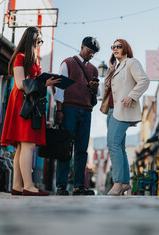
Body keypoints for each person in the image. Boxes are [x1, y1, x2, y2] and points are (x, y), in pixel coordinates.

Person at [1, 27, 60, 196]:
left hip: (31, 103)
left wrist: (45, 82)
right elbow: (20, 84)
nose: (40, 44)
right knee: (27, 144)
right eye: (38, 41)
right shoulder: (20, 57)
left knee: (22, 146)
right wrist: (44, 83)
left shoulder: (33, 59)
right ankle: (28, 186)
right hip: (23, 103)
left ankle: (18, 186)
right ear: (31, 40)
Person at [100, 39, 150, 196]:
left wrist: (132, 96)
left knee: (113, 143)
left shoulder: (131, 62)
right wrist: (111, 68)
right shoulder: (117, 67)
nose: (115, 49)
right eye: (113, 47)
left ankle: (118, 183)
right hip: (112, 110)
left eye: (118, 46)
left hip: (123, 109)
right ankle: (125, 183)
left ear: (126, 48)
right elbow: (107, 86)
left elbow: (144, 80)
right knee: (119, 146)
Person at [54, 37, 100, 196]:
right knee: (65, 148)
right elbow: (60, 88)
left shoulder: (94, 70)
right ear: (82, 47)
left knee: (82, 149)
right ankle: (61, 186)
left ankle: (79, 186)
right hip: (69, 109)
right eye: (89, 51)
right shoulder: (68, 63)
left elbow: (98, 95)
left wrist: (95, 88)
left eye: (94, 53)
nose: (91, 55)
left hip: (86, 111)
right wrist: (59, 111)